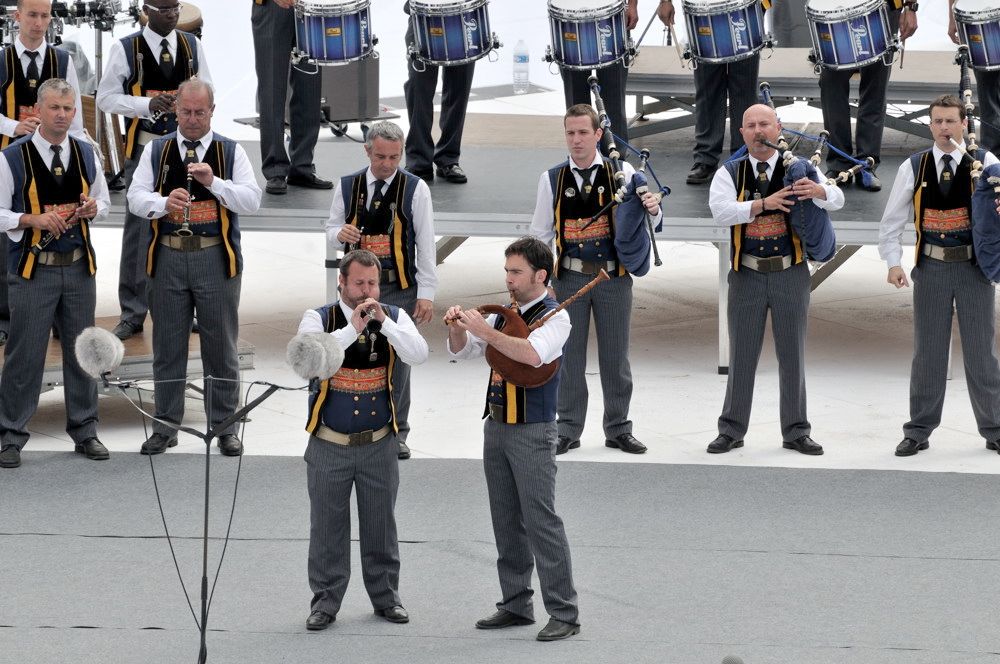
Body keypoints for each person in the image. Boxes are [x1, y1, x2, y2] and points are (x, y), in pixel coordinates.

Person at [445, 236, 580, 642]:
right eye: (507, 271)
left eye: (516, 271)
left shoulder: (558, 317)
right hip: (497, 426)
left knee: (541, 522)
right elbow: (464, 353)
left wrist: (486, 329)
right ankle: (516, 603)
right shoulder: (508, 313)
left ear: (540, 274)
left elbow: (533, 355)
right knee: (505, 520)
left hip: (534, 431)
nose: (508, 279)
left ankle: (565, 613)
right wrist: (457, 329)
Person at [126, 79, 261, 457]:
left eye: (200, 112)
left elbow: (251, 199)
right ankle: (166, 427)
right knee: (168, 344)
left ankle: (225, 427)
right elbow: (135, 198)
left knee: (221, 344)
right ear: (176, 111)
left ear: (212, 111)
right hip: (167, 256)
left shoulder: (230, 151)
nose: (192, 119)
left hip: (214, 257)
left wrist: (214, 183)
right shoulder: (157, 150)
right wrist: (162, 202)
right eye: (185, 112)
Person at [298, 249, 428, 632]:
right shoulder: (318, 317)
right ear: (342, 282)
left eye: (372, 283)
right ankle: (325, 602)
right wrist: (351, 329)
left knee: (380, 524)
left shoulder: (395, 316)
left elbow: (418, 354)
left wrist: (384, 324)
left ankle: (387, 597)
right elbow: (307, 361)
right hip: (328, 442)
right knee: (327, 528)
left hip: (379, 443)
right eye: (359, 283)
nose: (367, 290)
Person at [705, 103, 844, 455]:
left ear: (778, 127)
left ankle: (796, 431)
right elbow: (720, 212)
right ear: (741, 133)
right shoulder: (729, 172)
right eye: (750, 125)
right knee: (742, 357)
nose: (758, 131)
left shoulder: (800, 168)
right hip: (746, 275)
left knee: (792, 355)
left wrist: (819, 191)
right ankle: (732, 429)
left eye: (764, 123)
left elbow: (838, 199)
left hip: (790, 274)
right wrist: (762, 204)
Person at [529, 104, 661, 456]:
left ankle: (618, 428)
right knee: (569, 357)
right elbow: (541, 234)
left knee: (615, 357)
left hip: (613, 278)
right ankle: (568, 428)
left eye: (583, 132)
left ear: (598, 134)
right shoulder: (552, 178)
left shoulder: (621, 170)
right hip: (570, 278)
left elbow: (648, 218)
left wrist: (653, 207)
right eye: (570, 133)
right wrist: (544, 286)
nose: (576, 139)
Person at [877, 94, 1000, 457]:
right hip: (930, 268)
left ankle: (994, 427)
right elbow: (892, 220)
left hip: (973, 269)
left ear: (964, 124)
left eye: (950, 121)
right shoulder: (913, 166)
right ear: (930, 125)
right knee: (928, 352)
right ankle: (918, 430)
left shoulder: (985, 161)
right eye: (937, 121)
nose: (944, 127)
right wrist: (893, 262)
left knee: (982, 352)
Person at [0, 78, 109, 469]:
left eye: (68, 108)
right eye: (55, 108)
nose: (62, 114)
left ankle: (85, 430)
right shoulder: (12, 157)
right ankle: (10, 435)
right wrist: (32, 219)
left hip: (80, 269)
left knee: (84, 353)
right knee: (24, 355)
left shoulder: (85, 152)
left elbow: (105, 200)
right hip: (34, 272)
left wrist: (94, 209)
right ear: (37, 111)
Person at [97, 0, 211, 342]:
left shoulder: (192, 46)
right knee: (139, 231)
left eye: (175, 8)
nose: (172, 15)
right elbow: (105, 98)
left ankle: (183, 309)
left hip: (184, 149)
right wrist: (145, 105)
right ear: (146, 11)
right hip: (146, 147)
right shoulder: (126, 47)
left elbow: (208, 89)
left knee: (184, 226)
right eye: (164, 9)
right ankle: (132, 313)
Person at [327, 120, 437, 460]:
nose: (387, 164)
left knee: (398, 363)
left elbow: (425, 241)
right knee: (353, 355)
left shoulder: (416, 188)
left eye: (394, 157)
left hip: (398, 289)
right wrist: (338, 235)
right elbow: (331, 227)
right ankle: (350, 423)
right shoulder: (347, 186)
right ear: (367, 151)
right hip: (354, 292)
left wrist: (427, 292)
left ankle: (398, 432)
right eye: (380, 157)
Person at [0, 0, 86, 347]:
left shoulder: (63, 60)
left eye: (44, 16)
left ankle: (56, 316)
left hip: (53, 159)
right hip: (11, 160)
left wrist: (80, 156)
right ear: (16, 17)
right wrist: (15, 125)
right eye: (31, 15)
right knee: (10, 237)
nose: (38, 23)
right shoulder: (1, 59)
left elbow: (76, 118)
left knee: (58, 228)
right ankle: (6, 317)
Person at [657, 0, 767, 185]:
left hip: (743, 8)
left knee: (744, 93)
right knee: (707, 91)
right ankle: (705, 159)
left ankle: (744, 158)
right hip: (702, 10)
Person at [818, 0, 917, 191]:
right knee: (831, 88)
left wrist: (910, 7)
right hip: (834, 8)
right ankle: (838, 163)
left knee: (875, 91)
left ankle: (867, 163)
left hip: (883, 8)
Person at [251, 0, 332, 195]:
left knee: (310, 88)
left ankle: (302, 166)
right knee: (272, 88)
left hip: (309, 6)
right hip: (272, 8)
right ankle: (275, 169)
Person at [402, 0, 474, 183]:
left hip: (463, 15)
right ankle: (419, 160)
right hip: (422, 14)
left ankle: (448, 159)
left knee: (459, 89)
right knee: (419, 88)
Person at [560, 0, 636, 154]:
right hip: (570, 13)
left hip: (611, 13)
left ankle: (616, 162)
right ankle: (581, 159)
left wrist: (632, 5)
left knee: (613, 102)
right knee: (576, 106)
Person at [949, 0, 1000, 155]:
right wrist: (953, 19)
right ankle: (993, 166)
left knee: (990, 100)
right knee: (989, 97)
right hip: (984, 16)